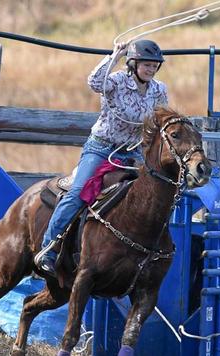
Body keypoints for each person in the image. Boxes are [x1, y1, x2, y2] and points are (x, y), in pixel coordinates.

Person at [34, 39, 168, 277]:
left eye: (154, 65)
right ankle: (48, 248)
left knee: (156, 191)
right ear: (133, 64)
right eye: (146, 64)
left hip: (134, 151)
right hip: (102, 147)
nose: (151, 69)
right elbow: (94, 82)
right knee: (78, 193)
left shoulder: (159, 90)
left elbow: (160, 121)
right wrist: (114, 55)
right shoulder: (116, 81)